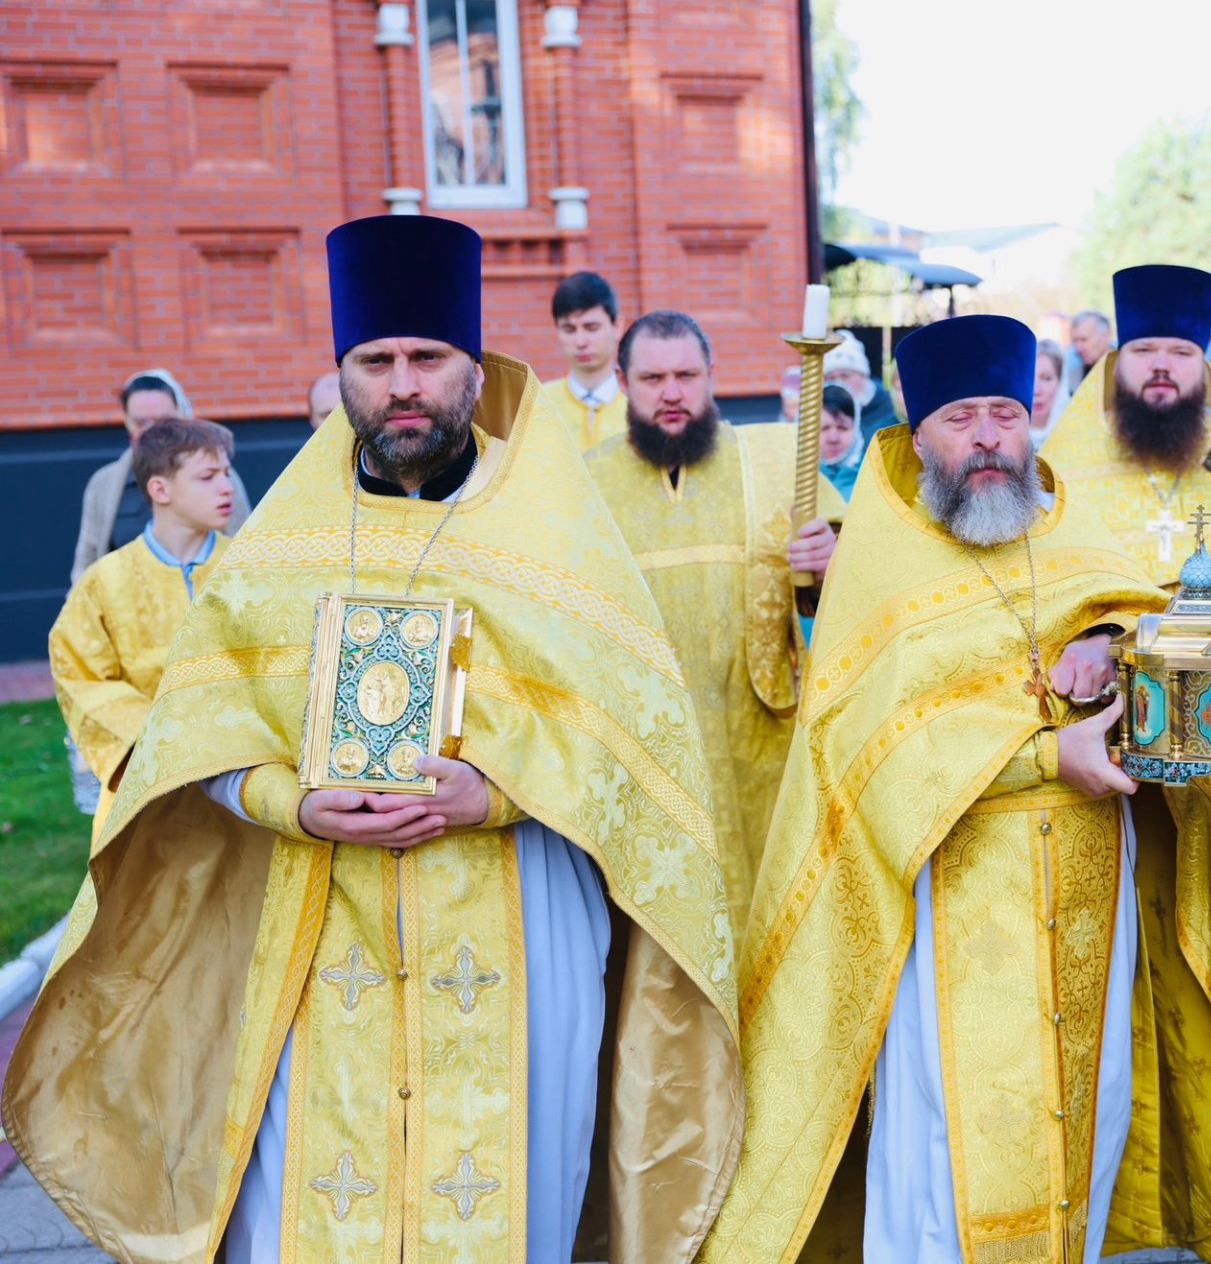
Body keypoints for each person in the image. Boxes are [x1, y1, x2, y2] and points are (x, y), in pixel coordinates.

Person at [5, 215, 741, 1263]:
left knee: (513, 1202)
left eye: (427, 358)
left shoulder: (555, 527)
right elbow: (196, 733)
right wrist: (282, 801)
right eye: (375, 359)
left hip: (521, 914)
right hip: (318, 924)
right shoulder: (283, 538)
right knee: (315, 1203)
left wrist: (500, 790)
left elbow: (638, 743)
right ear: (342, 369)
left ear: (469, 363)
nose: (403, 383)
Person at [701, 314, 1211, 1264]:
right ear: (916, 431)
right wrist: (1038, 757)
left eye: (1007, 413)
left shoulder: (1067, 526)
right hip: (949, 903)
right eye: (960, 417)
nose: (987, 437)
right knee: (948, 1156)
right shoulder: (886, 556)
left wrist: (1114, 642)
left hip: (1094, 904)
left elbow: (1150, 629)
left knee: (1085, 1127)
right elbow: (865, 750)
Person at [587, 308, 842, 930]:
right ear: (622, 381)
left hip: (760, 748)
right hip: (644, 758)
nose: (671, 393)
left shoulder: (776, 458)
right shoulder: (586, 480)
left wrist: (833, 556)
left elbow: (848, 571)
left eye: (686, 375)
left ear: (711, 377)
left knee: (769, 914)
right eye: (652, 379)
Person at [1042, 264, 1211, 588]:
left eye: (1180, 352)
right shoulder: (1072, 452)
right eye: (1144, 350)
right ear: (1118, 362)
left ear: (1203, 367)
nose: (1161, 365)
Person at [50, 418, 235, 831]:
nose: (227, 487)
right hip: (150, 788)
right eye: (208, 476)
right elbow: (80, 676)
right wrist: (159, 740)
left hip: (243, 784)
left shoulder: (248, 568)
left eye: (226, 473)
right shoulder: (105, 581)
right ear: (160, 489)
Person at [72, 369, 252, 582]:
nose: (151, 432)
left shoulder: (220, 478)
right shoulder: (105, 484)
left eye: (163, 421)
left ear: (181, 415)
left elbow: (244, 550)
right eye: (141, 423)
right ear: (126, 421)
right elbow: (86, 563)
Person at [541, 269, 627, 451]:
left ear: (617, 326)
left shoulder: (639, 402)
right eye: (569, 329)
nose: (580, 342)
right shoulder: (540, 403)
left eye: (591, 328)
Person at [826, 329, 902, 439]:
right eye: (831, 378)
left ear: (863, 376)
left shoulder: (891, 407)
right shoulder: (821, 412)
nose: (838, 383)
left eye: (845, 376)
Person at [820, 380, 866, 499]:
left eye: (842, 428)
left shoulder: (873, 477)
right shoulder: (793, 479)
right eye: (824, 428)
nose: (833, 438)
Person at [1067, 308, 1114, 393]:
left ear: (1106, 334)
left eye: (1084, 340)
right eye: (1075, 342)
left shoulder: (1127, 368)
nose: (1079, 348)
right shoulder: (1073, 376)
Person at [1032, 337, 1067, 445]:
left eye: (1046, 378)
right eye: (1030, 378)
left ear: (1060, 381)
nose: (1036, 391)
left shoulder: (1076, 428)